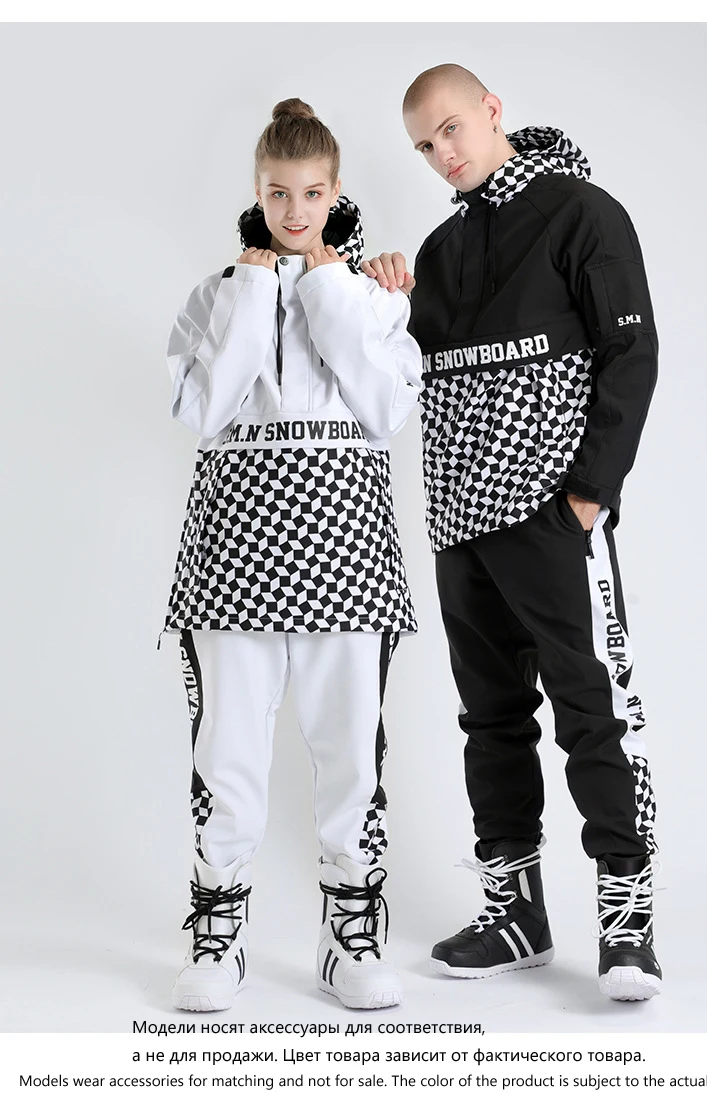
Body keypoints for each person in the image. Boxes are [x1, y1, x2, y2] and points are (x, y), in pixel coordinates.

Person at [362, 64, 661, 1001]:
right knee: (491, 721)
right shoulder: (442, 251)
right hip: (461, 522)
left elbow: (631, 354)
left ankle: (627, 924)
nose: (441, 154)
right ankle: (517, 914)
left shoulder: (582, 214)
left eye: (451, 129)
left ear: (491, 111)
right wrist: (381, 293)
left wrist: (589, 495)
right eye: (424, 145)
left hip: (552, 515)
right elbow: (396, 372)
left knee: (593, 712)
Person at [160, 98, 422, 1012]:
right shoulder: (215, 294)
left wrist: (328, 286)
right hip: (234, 544)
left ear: (335, 191)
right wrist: (254, 288)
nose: (296, 210)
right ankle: (217, 929)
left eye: (312, 193)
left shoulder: (372, 297)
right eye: (279, 192)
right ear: (257, 191)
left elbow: (385, 412)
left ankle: (349, 933)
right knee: (228, 746)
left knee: (350, 749)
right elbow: (204, 412)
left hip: (345, 541)